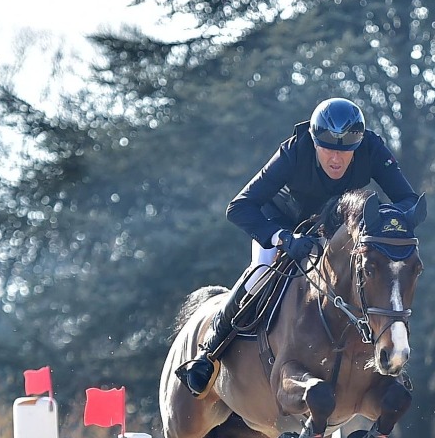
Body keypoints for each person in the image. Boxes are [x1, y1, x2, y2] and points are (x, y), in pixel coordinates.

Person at [176, 97, 421, 397]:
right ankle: (208, 354)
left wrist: (381, 224)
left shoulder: (370, 147)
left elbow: (408, 200)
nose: (336, 159)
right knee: (259, 274)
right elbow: (239, 207)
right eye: (328, 149)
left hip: (339, 237)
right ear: (314, 142)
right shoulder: (294, 151)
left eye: (345, 152)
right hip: (284, 227)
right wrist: (282, 238)